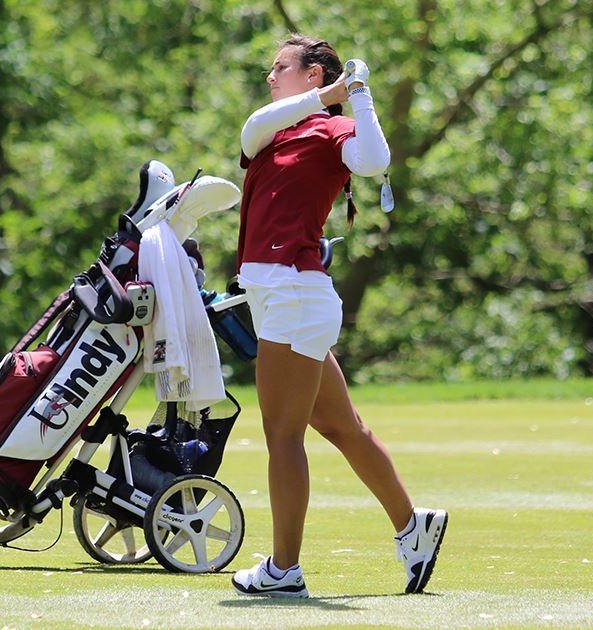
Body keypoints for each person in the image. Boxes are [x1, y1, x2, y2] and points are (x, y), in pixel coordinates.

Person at [228, 35, 448, 598]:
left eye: (280, 67)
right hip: (288, 297)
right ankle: (412, 525)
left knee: (282, 434)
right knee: (340, 427)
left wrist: (361, 96)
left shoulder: (332, 130)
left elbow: (376, 161)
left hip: (293, 295)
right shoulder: (275, 128)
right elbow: (254, 124)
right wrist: (331, 91)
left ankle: (284, 570)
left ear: (312, 72)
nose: (270, 75)